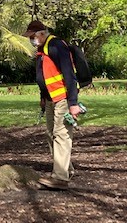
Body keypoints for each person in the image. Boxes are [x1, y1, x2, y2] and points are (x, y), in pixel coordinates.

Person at [23, 19, 82, 190]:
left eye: (32, 37)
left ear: (42, 34)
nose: (31, 40)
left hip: (63, 98)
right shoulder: (43, 49)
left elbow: (69, 75)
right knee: (51, 134)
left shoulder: (56, 46)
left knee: (61, 134)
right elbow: (44, 76)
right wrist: (43, 97)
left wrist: (73, 103)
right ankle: (66, 169)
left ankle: (60, 178)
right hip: (50, 98)